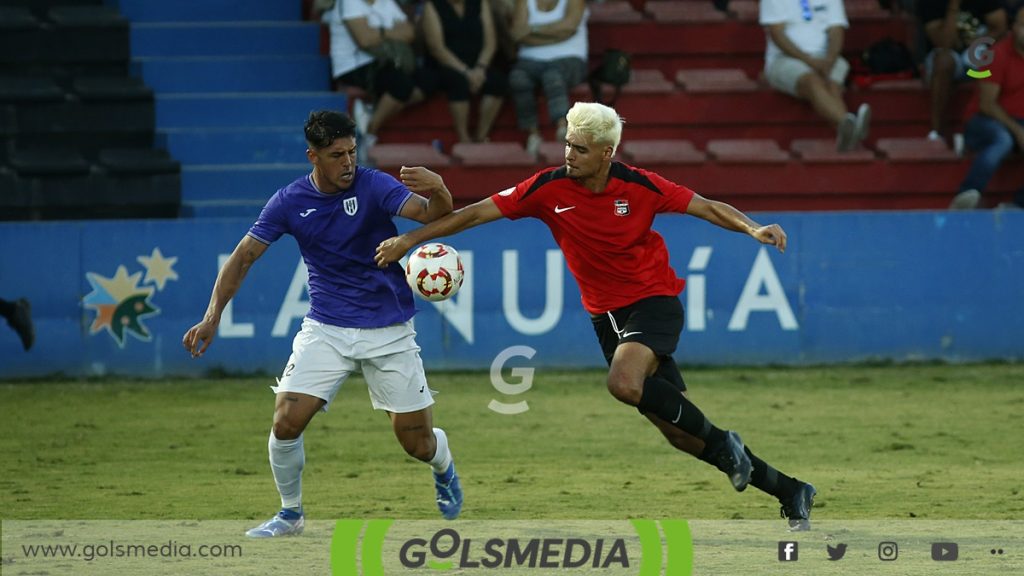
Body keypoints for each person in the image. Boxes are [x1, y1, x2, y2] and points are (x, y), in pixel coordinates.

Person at [375, 102, 818, 530]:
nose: (569, 155)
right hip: (605, 319)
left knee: (624, 384)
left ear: (607, 153)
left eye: (580, 149)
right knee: (681, 433)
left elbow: (706, 206)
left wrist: (753, 227)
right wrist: (411, 238)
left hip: (654, 301)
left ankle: (728, 446)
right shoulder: (547, 188)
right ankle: (790, 491)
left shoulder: (640, 185)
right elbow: (473, 215)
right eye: (567, 144)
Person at [183, 110, 462, 537]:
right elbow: (243, 256)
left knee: (417, 445)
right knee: (285, 421)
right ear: (313, 156)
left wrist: (439, 188)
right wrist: (211, 317)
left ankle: (443, 466)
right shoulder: (289, 202)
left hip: (388, 330)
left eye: (352, 151)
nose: (348, 162)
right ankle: (290, 514)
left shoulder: (374, 184)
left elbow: (433, 216)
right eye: (337, 155)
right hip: (327, 328)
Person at [322, 0, 437, 162]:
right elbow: (364, 40)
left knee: (430, 80)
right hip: (352, 66)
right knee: (401, 84)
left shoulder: (386, 2)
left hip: (386, 61)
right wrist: (390, 31)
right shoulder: (349, 2)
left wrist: (377, 33)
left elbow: (409, 33)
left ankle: (372, 112)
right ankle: (370, 131)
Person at [760, 0, 872, 151]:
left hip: (827, 57)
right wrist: (810, 61)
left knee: (832, 85)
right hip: (784, 59)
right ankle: (848, 124)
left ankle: (847, 133)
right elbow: (777, 34)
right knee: (812, 81)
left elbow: (836, 29)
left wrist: (829, 60)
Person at [951, 5, 1024, 209]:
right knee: (1003, 140)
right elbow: (986, 104)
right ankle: (965, 196)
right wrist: (1018, 131)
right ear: (1013, 28)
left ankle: (1020, 206)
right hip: (984, 120)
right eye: (1023, 25)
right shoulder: (996, 54)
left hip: (1019, 121)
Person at [917, 0, 1007, 144]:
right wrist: (953, 6)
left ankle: (987, 133)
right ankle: (937, 133)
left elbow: (1000, 27)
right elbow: (944, 43)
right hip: (950, 57)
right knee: (943, 62)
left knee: (994, 66)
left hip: (975, 58)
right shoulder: (929, 3)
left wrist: (977, 42)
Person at [508, 0, 588, 156]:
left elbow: (569, 28)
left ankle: (562, 127)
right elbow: (517, 33)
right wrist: (555, 34)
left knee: (552, 75)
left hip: (569, 58)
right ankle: (533, 134)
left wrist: (533, 29)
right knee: (517, 78)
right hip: (530, 60)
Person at [421, 0, 507, 143]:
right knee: (458, 82)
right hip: (446, 65)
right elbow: (437, 48)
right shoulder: (433, 6)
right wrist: (467, 72)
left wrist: (480, 68)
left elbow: (490, 42)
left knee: (497, 82)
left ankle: (481, 135)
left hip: (477, 65)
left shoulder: (480, 3)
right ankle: (463, 137)